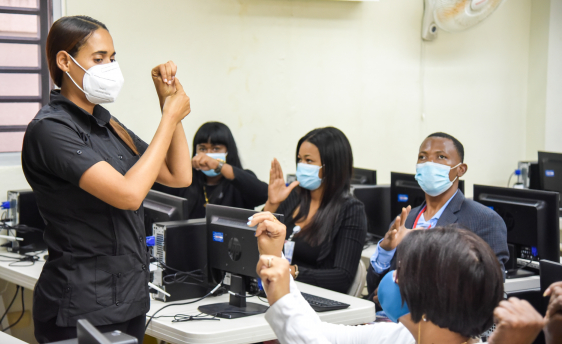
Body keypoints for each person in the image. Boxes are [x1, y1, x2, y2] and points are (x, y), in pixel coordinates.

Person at [21, 16, 192, 343]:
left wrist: (167, 105)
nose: (109, 67)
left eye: (112, 59)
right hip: (80, 304)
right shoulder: (51, 129)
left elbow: (177, 174)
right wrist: (170, 117)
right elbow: (129, 195)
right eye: (98, 59)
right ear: (64, 61)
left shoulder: (108, 125)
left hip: (127, 299)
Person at [249, 212, 546, 344]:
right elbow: (325, 337)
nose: (395, 278)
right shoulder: (403, 336)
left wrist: (282, 295)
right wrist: (277, 259)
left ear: (432, 299)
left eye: (405, 271)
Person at [366, 132, 509, 297]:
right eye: (422, 157)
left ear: (460, 170)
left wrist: (411, 287)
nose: (429, 164)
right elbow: (374, 291)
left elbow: (490, 290)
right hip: (390, 320)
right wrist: (385, 251)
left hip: (444, 320)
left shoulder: (484, 220)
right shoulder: (406, 219)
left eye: (441, 157)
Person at [264, 127, 367, 293]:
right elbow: (255, 241)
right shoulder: (294, 197)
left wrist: (293, 271)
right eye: (300, 159)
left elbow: (342, 277)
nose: (302, 166)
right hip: (279, 289)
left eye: (309, 161)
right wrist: (272, 203)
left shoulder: (351, 211)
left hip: (314, 297)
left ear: (332, 166)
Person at [154, 122, 268, 219]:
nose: (208, 155)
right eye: (203, 149)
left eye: (216, 149)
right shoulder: (185, 182)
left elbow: (263, 194)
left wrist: (218, 165)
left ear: (228, 151)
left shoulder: (241, 179)